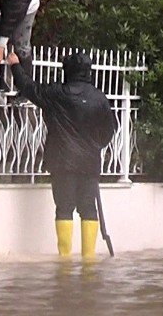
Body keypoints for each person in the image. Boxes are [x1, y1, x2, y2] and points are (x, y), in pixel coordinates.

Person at [7, 50, 117, 258]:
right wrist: (94, 146)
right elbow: (109, 131)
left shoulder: (57, 93)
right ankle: (89, 261)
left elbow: (29, 88)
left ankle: (64, 262)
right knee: (88, 209)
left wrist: (15, 65)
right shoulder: (99, 98)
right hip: (89, 163)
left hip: (62, 162)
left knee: (64, 208)